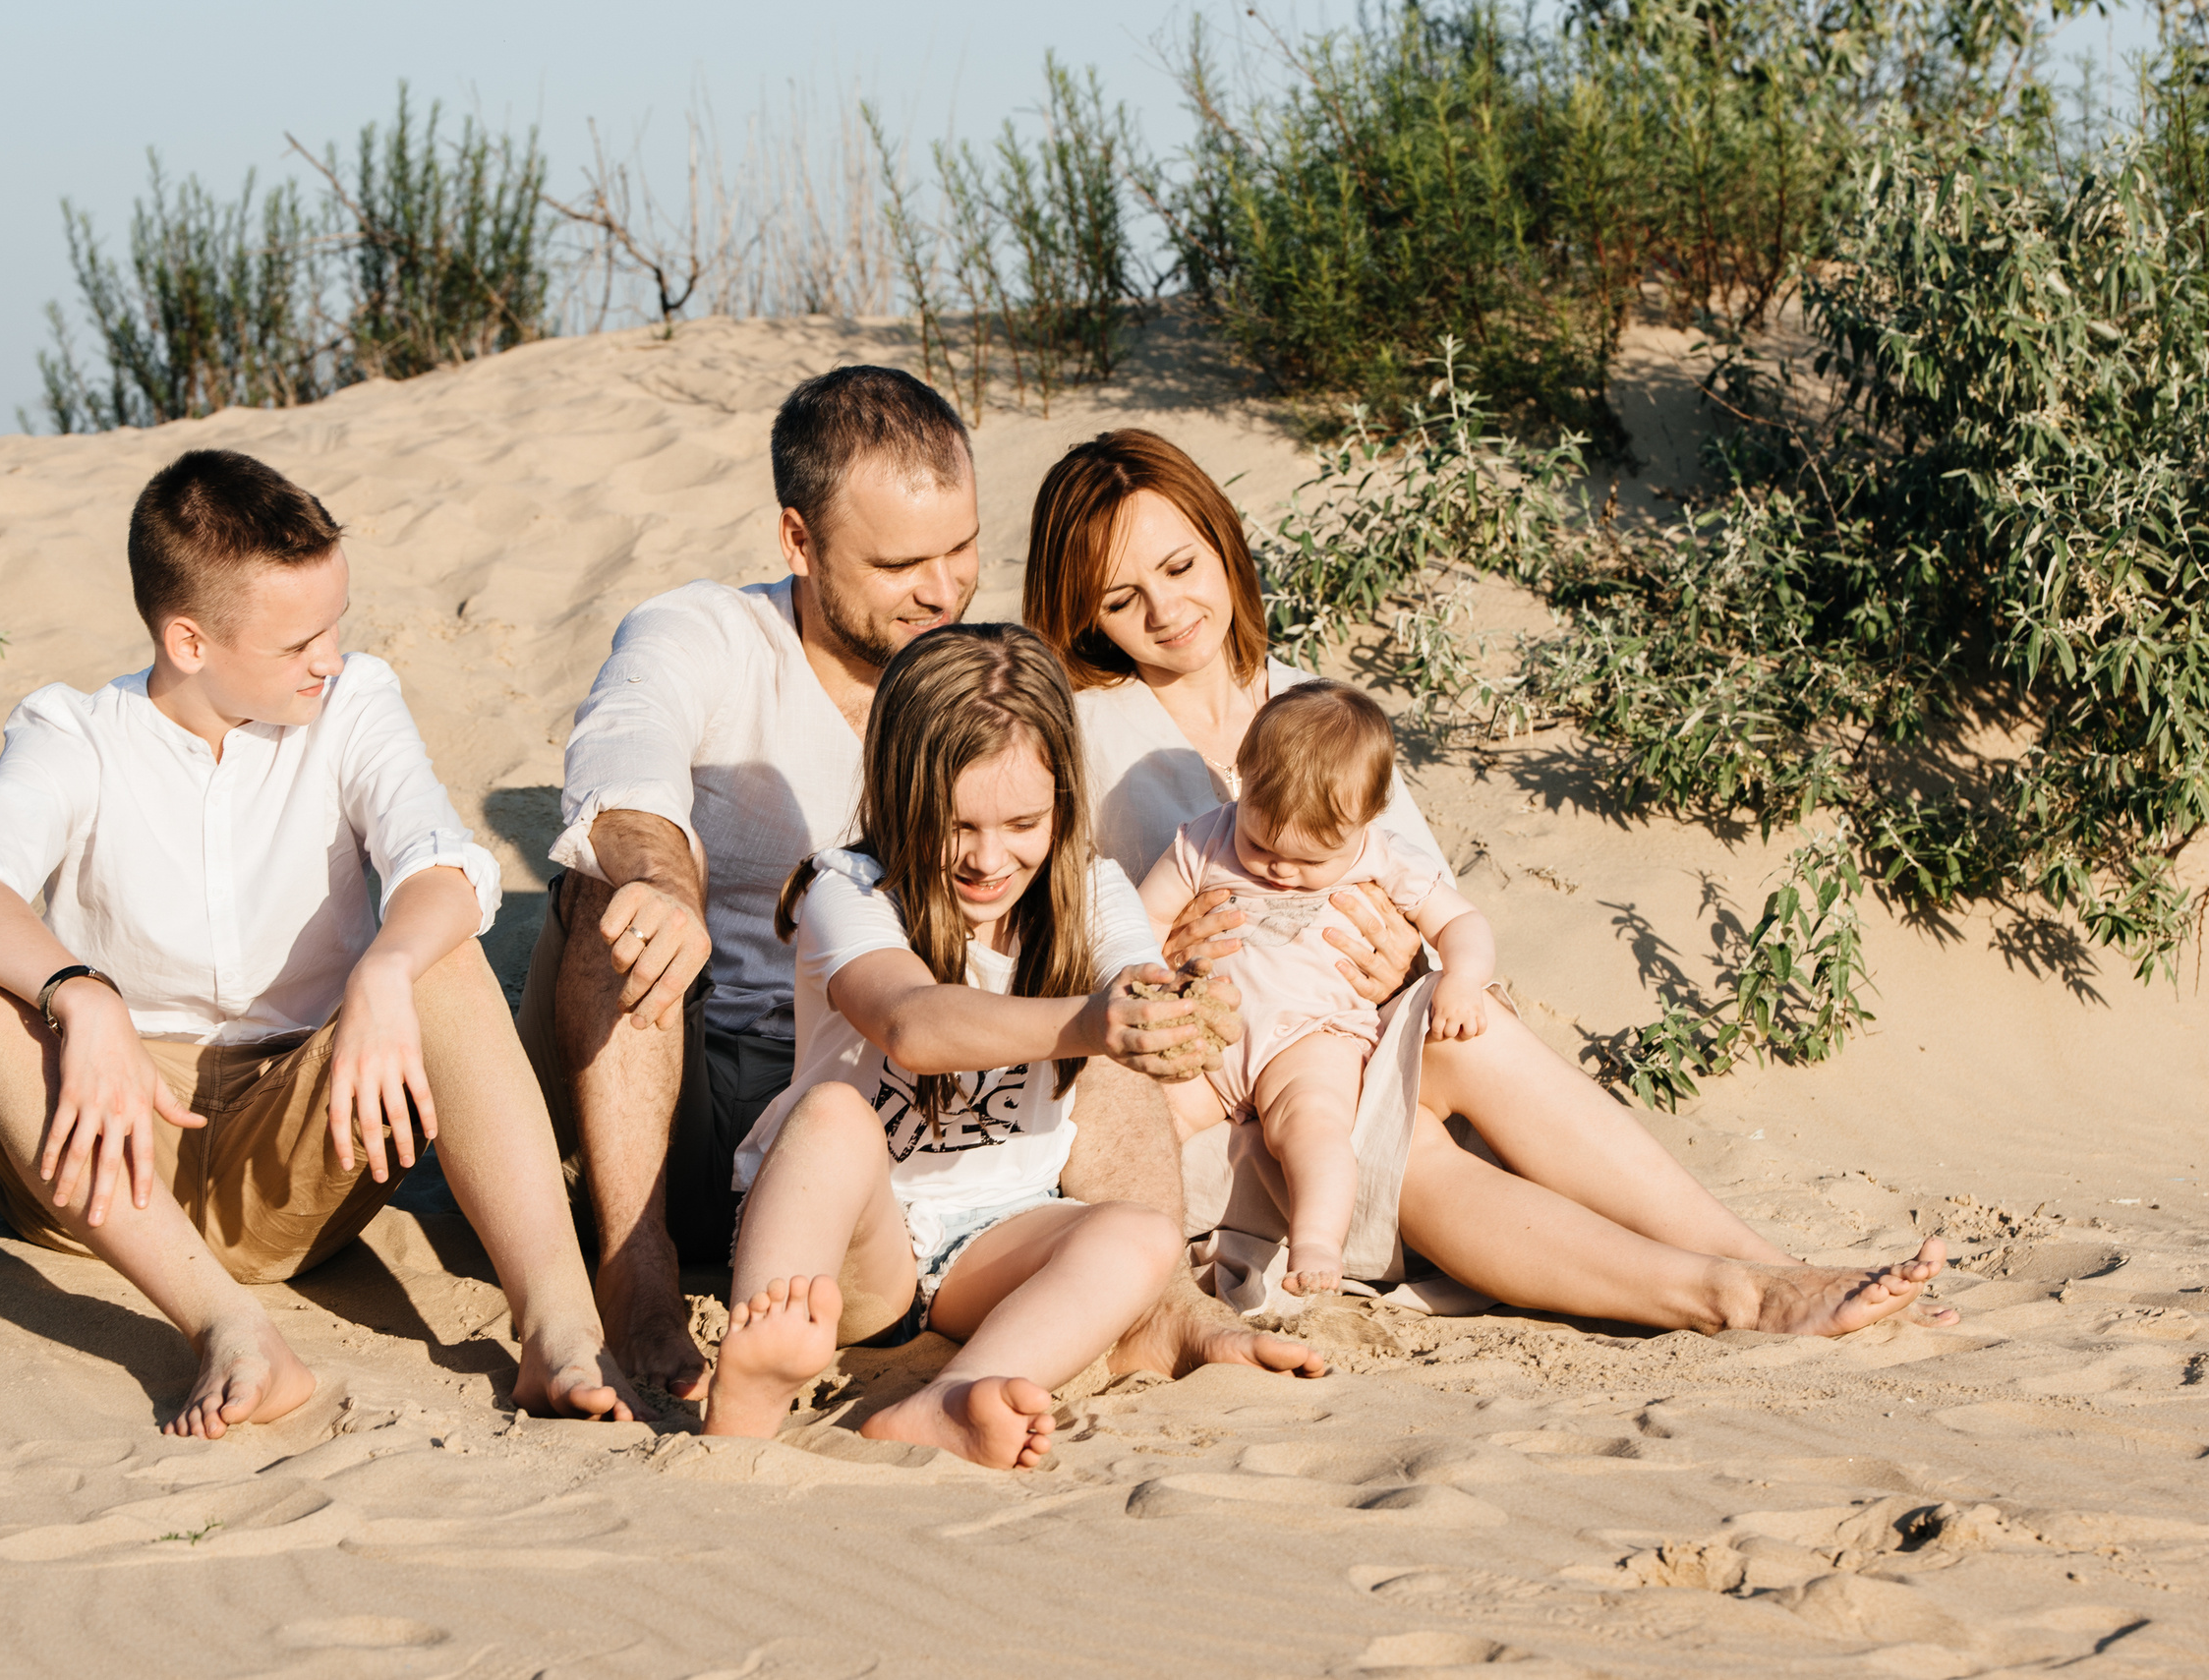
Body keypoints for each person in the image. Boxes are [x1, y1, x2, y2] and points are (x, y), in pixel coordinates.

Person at [1027, 428, 1957, 1333]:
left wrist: (1405, 962)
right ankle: (1737, 1295)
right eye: (1122, 596)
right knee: (1392, 1140)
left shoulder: (1315, 705)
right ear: (1085, 616)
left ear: (1222, 542)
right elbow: (1041, 947)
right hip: (1215, 1103)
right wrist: (1141, 952)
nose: (1166, 610)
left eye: (1182, 567)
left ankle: (1765, 1267)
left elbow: (1432, 910)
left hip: (1347, 1039)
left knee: (1456, 1027)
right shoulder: (1085, 736)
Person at [520, 368, 1322, 1401]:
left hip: (913, 1102)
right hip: (699, 1070)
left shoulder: (978, 687)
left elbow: (1098, 873)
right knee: (607, 896)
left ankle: (1161, 1298)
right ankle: (637, 1280)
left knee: (1104, 1000)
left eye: (960, 550)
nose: (942, 590)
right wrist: (664, 880)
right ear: (798, 542)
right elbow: (622, 765)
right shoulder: (708, 635)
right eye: (900, 562)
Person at [0, 449, 628, 1439]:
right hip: (109, 1163)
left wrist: (385, 967)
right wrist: (82, 992)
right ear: (188, 639)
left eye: (334, 625)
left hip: (299, 1146)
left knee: (437, 951)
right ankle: (229, 1329)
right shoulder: (74, 732)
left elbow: (444, 861)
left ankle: (561, 1330)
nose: (326, 657)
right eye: (296, 643)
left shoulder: (354, 701)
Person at [706, 626, 1187, 1468]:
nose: (988, 858)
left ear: (1063, 802)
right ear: (897, 796)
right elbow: (910, 1023)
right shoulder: (848, 890)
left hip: (998, 1239)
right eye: (955, 823)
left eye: (1023, 822)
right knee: (831, 1114)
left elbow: (1142, 986)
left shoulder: (1091, 891)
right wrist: (1085, 1022)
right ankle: (755, 1380)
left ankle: (953, 1394)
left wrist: (1178, 1013)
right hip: (856, 1241)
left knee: (1140, 1237)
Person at [1141, 681, 1496, 1297]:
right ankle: (1131, 1226)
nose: (1279, 869)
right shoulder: (1205, 838)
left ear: (1367, 817)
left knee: (1314, 1125)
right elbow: (1143, 920)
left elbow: (1460, 921)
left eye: (1311, 861)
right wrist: (1152, 977)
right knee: (1149, 1120)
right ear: (1241, 781)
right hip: (1211, 1034)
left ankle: (1317, 1243)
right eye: (1260, 844)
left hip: (1312, 1036)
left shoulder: (1384, 856)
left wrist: (1462, 979)